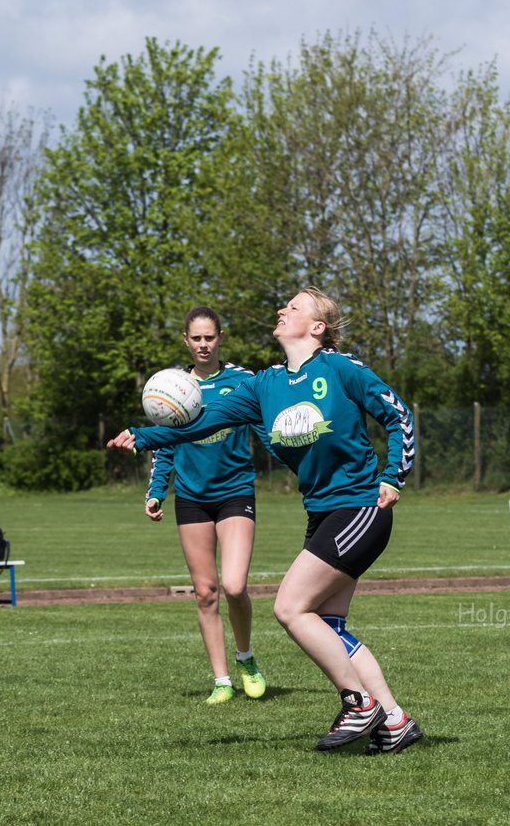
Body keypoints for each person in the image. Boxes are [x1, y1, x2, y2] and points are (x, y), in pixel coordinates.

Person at [109, 287, 422, 755]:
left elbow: (397, 414)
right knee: (329, 627)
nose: (282, 309)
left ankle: (359, 702)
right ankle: (395, 719)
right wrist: (143, 434)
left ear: (316, 327)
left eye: (294, 307)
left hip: (359, 508)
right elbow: (202, 421)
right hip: (323, 514)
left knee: (289, 607)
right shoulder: (264, 385)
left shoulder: (339, 367)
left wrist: (393, 475)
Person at [145, 306, 267, 705]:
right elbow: (163, 446)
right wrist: (156, 492)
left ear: (220, 337)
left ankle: (246, 658)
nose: (203, 344)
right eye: (195, 338)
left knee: (233, 586)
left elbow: (268, 431)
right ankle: (222, 680)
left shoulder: (243, 381)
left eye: (209, 337)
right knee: (205, 592)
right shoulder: (171, 388)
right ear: (186, 340)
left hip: (235, 492)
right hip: (192, 499)